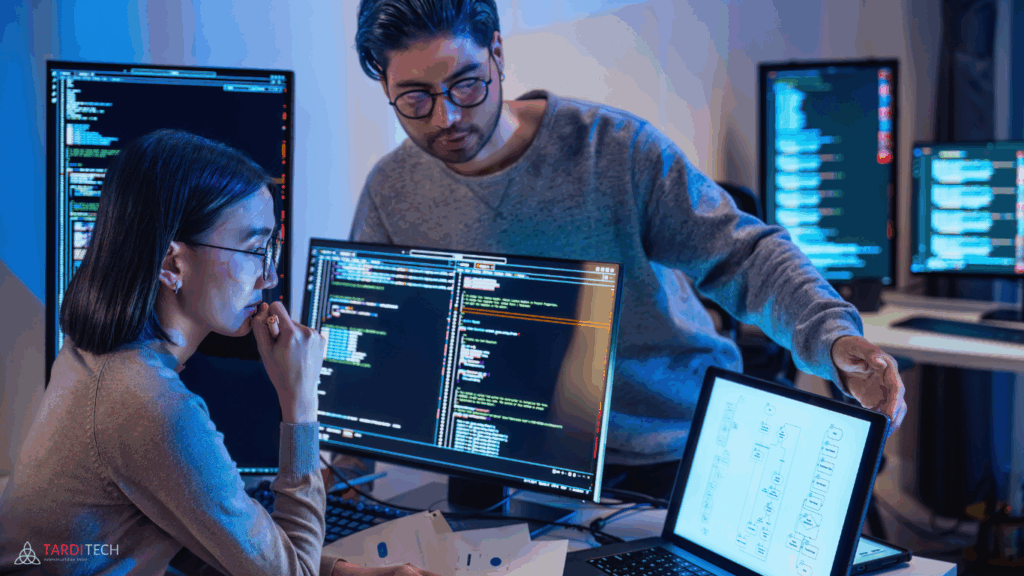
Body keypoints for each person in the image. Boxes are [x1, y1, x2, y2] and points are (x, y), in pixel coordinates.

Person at [349, 0, 908, 499]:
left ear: (497, 53)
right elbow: (369, 346)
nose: (445, 117)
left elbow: (746, 257)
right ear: (386, 90)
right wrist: (343, 479)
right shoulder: (392, 190)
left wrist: (832, 338)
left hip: (664, 449)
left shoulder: (615, 151)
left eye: (465, 85)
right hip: (507, 457)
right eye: (416, 99)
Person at [0, 130, 436, 576]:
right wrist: (301, 403)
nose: (268, 276)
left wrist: (348, 572)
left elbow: (195, 535)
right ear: (172, 265)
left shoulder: (94, 356)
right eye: (253, 249)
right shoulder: (150, 405)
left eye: (271, 250)